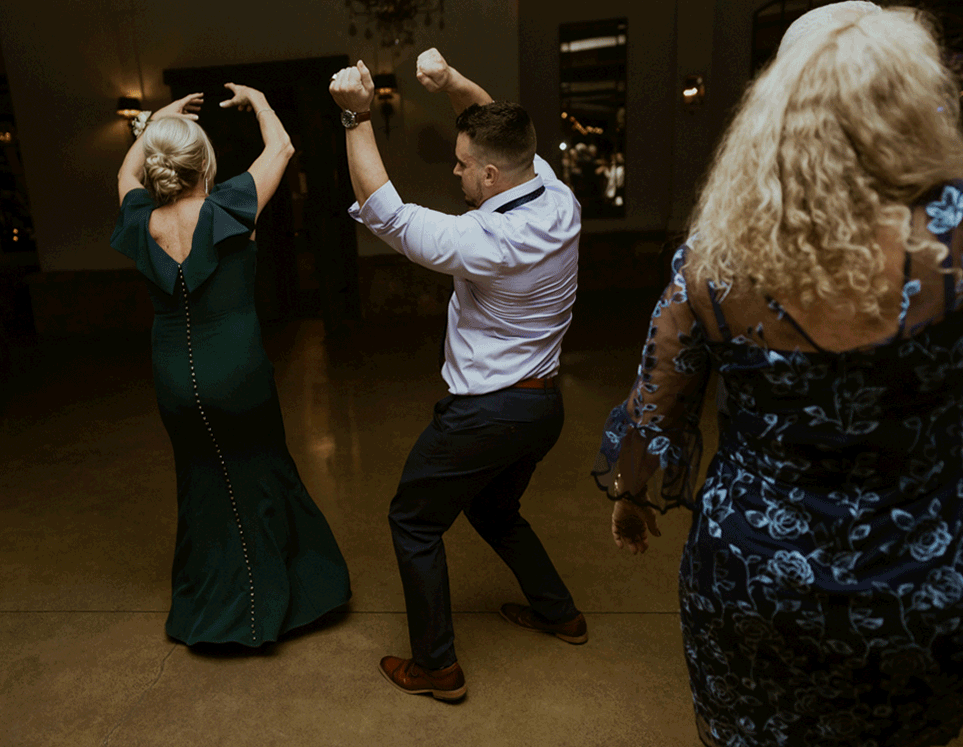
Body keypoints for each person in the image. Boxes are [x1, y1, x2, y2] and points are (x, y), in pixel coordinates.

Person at [594, 3, 963, 745]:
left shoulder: (715, 258)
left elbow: (654, 406)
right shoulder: (952, 241)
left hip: (752, 582)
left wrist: (630, 495)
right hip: (924, 581)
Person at [330, 48, 583, 701]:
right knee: (495, 509)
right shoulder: (556, 196)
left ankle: (436, 666)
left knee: (413, 521)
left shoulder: (485, 241)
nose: (456, 170)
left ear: (491, 175)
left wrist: (356, 116)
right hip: (542, 409)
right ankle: (559, 612)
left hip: (486, 415)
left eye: (463, 164)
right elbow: (494, 123)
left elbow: (385, 212)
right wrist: (451, 83)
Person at [110, 87, 350, 646]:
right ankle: (274, 610)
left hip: (174, 376)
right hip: (237, 370)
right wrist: (261, 101)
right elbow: (282, 147)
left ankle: (210, 612)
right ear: (205, 165)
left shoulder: (141, 218)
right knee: (264, 474)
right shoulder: (231, 206)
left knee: (202, 485)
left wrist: (155, 122)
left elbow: (125, 173)